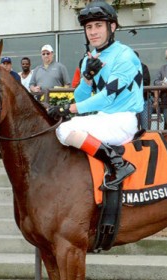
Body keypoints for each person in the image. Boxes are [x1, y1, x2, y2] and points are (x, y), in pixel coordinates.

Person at [47, 1, 144, 189]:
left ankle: (119, 165)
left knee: (65, 130)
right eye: (89, 27)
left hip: (124, 119)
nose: (93, 32)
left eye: (99, 25)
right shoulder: (89, 59)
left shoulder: (125, 55)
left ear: (112, 27)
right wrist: (87, 78)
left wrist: (68, 108)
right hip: (104, 118)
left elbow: (107, 97)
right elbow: (81, 97)